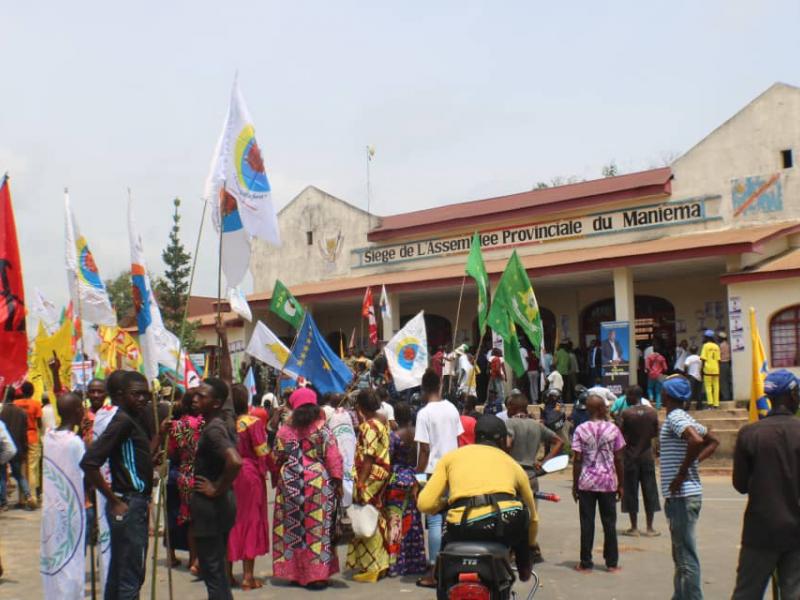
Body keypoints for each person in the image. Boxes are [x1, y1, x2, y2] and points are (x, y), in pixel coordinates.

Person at [417, 415, 539, 581]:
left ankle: (439, 578)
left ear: (476, 437)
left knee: (445, 556)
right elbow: (533, 518)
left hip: (461, 527)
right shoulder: (513, 465)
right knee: (524, 514)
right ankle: (524, 570)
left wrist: (444, 503)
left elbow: (425, 504)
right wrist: (531, 546)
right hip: (503, 526)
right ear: (503, 441)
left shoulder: (451, 458)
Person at [80, 371, 154, 600]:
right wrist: (114, 500)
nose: (143, 399)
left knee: (120, 572)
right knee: (130, 576)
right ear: (120, 396)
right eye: (137, 395)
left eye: (146, 395)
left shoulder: (132, 419)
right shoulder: (122, 421)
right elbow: (90, 462)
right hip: (129, 504)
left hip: (134, 503)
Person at [731, 370, 800, 599]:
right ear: (792, 395)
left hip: (760, 530)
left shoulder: (750, 433)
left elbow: (740, 484)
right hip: (796, 530)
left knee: (747, 593)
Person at [272, 387, 343, 589]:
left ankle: (295, 573)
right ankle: (316, 576)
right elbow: (333, 457)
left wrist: (281, 474)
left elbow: (276, 457)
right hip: (318, 484)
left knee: (294, 528)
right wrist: (337, 483)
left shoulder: (285, 430)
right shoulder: (322, 428)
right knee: (317, 528)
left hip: (290, 483)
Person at [660, 376, 719, 600]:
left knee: (685, 558)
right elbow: (712, 441)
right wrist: (692, 463)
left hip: (682, 496)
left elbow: (696, 441)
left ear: (668, 396)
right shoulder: (683, 416)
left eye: (663, 392)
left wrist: (683, 472)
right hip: (685, 495)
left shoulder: (675, 417)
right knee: (681, 555)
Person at [191, 378, 242, 600]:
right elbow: (227, 380)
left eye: (201, 396)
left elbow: (235, 461)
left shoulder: (214, 430)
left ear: (216, 402)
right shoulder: (225, 418)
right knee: (217, 569)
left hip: (211, 507)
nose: (195, 399)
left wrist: (217, 487)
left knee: (212, 571)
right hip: (220, 505)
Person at [414, 368, 463, 588]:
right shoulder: (452, 408)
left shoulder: (424, 413)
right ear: (440, 387)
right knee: (451, 520)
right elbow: (458, 440)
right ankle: (453, 566)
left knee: (434, 521)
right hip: (453, 470)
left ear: (424, 389)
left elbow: (424, 450)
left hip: (433, 471)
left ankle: (433, 571)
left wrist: (418, 477)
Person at [571, 393, 625, 572]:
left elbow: (577, 459)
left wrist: (575, 484)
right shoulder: (613, 429)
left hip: (586, 482)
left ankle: (585, 562)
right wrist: (621, 483)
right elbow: (618, 458)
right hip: (608, 482)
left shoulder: (580, 429)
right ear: (602, 409)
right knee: (609, 523)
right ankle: (612, 563)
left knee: (587, 523)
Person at [506, 393, 562, 563]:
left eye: (508, 406)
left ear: (514, 408)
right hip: (531, 476)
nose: (507, 410)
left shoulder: (509, 423)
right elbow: (558, 441)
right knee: (530, 514)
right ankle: (531, 548)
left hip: (513, 475)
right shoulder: (536, 425)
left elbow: (508, 444)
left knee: (510, 513)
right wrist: (543, 461)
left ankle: (512, 550)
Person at [40, 392, 85, 599]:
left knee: (55, 559)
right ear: (78, 412)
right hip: (71, 509)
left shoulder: (48, 437)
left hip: (51, 509)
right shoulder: (74, 443)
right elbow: (86, 471)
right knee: (71, 562)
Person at [227, 384, 271, 590]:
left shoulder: (225, 423)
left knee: (230, 521)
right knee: (251, 519)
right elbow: (263, 452)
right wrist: (270, 472)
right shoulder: (252, 423)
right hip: (249, 474)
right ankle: (247, 577)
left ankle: (227, 575)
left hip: (228, 474)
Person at [347, 389, 392, 582]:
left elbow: (368, 457)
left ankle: (374, 566)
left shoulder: (368, 426)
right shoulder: (382, 423)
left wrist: (362, 482)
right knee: (377, 514)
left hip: (371, 475)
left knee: (368, 515)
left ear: (361, 407)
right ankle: (381, 563)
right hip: (381, 474)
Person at [385, 402, 427, 577]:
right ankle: (415, 561)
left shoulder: (394, 436)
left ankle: (397, 564)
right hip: (413, 477)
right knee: (413, 520)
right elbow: (423, 453)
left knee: (395, 520)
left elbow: (388, 458)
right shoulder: (417, 434)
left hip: (396, 478)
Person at [619, 389, 660, 537]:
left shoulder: (626, 413)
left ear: (633, 396)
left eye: (627, 395)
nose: (626, 398)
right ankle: (650, 528)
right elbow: (656, 432)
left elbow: (620, 433)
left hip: (630, 456)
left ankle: (634, 527)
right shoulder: (652, 412)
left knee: (631, 491)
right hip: (647, 455)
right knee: (650, 490)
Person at [0, 387, 31, 510]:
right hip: (17, 448)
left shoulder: (1, 412)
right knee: (19, 475)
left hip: (3, 448)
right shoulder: (22, 412)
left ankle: (3, 503)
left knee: (2, 476)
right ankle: (28, 496)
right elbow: (24, 433)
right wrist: (25, 448)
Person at [13, 381, 42, 504]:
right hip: (32, 437)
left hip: (19, 439)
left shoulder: (15, 404)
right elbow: (39, 423)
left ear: (22, 391)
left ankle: (22, 498)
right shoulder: (36, 404)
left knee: (21, 468)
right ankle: (33, 497)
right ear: (32, 392)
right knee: (32, 468)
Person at [540, 388, 567, 454]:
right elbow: (542, 417)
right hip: (548, 426)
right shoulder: (544, 406)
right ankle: (546, 454)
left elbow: (562, 415)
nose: (554, 398)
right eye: (552, 396)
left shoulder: (559, 405)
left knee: (561, 440)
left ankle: (564, 454)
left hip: (558, 427)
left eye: (555, 396)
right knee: (547, 442)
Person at [699, 330, 721, 409]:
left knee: (708, 387)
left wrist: (701, 369)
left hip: (708, 369)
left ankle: (710, 404)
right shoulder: (716, 346)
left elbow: (703, 358)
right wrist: (718, 369)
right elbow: (719, 359)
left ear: (706, 337)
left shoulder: (705, 346)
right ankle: (716, 404)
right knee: (716, 387)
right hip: (716, 369)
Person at [718, 332, 732, 401]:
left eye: (719, 337)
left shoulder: (721, 345)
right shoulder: (728, 345)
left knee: (723, 381)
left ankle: (726, 397)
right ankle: (728, 395)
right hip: (728, 364)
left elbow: (718, 356)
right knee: (727, 380)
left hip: (723, 363)